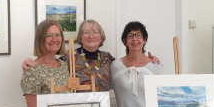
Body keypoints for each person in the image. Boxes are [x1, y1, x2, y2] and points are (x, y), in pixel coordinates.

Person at [22, 19, 160, 92]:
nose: (91, 36)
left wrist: (150, 60)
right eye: (86, 32)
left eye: (95, 32)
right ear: (81, 38)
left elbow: (130, 67)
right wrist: (30, 62)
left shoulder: (109, 59)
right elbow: (49, 64)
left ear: (101, 37)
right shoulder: (69, 57)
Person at [20, 19, 70, 107]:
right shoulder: (32, 70)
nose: (55, 39)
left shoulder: (64, 65)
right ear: (41, 39)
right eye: (49, 35)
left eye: (58, 35)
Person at [111, 21, 163, 107]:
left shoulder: (155, 66)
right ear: (125, 41)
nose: (135, 39)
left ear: (144, 39)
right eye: (130, 36)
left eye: (138, 35)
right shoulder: (115, 66)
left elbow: (160, 98)